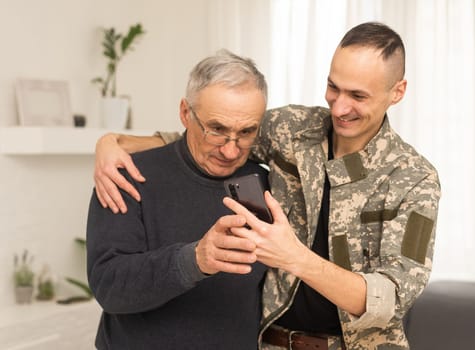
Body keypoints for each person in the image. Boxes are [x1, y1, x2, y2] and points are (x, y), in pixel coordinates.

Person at [93, 22, 441, 349]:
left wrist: (295, 257)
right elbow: (208, 138)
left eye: (358, 96)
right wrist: (114, 142)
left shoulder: (415, 178)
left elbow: (391, 299)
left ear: (398, 92)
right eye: (333, 87)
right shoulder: (293, 128)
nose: (340, 107)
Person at [86, 49, 270, 349]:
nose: (231, 150)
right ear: (186, 113)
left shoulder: (264, 183)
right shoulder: (127, 175)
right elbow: (109, 286)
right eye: (217, 130)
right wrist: (195, 259)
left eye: (246, 132)